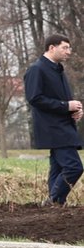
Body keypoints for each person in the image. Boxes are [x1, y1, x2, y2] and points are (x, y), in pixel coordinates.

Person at [23, 33, 82, 206]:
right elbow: (34, 98)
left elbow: (62, 98)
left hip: (63, 126)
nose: (69, 51)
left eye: (69, 48)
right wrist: (66, 106)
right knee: (74, 167)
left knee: (57, 169)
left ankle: (56, 206)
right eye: (65, 47)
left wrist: (76, 110)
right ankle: (53, 201)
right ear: (51, 48)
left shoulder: (58, 69)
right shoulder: (37, 69)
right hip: (53, 128)